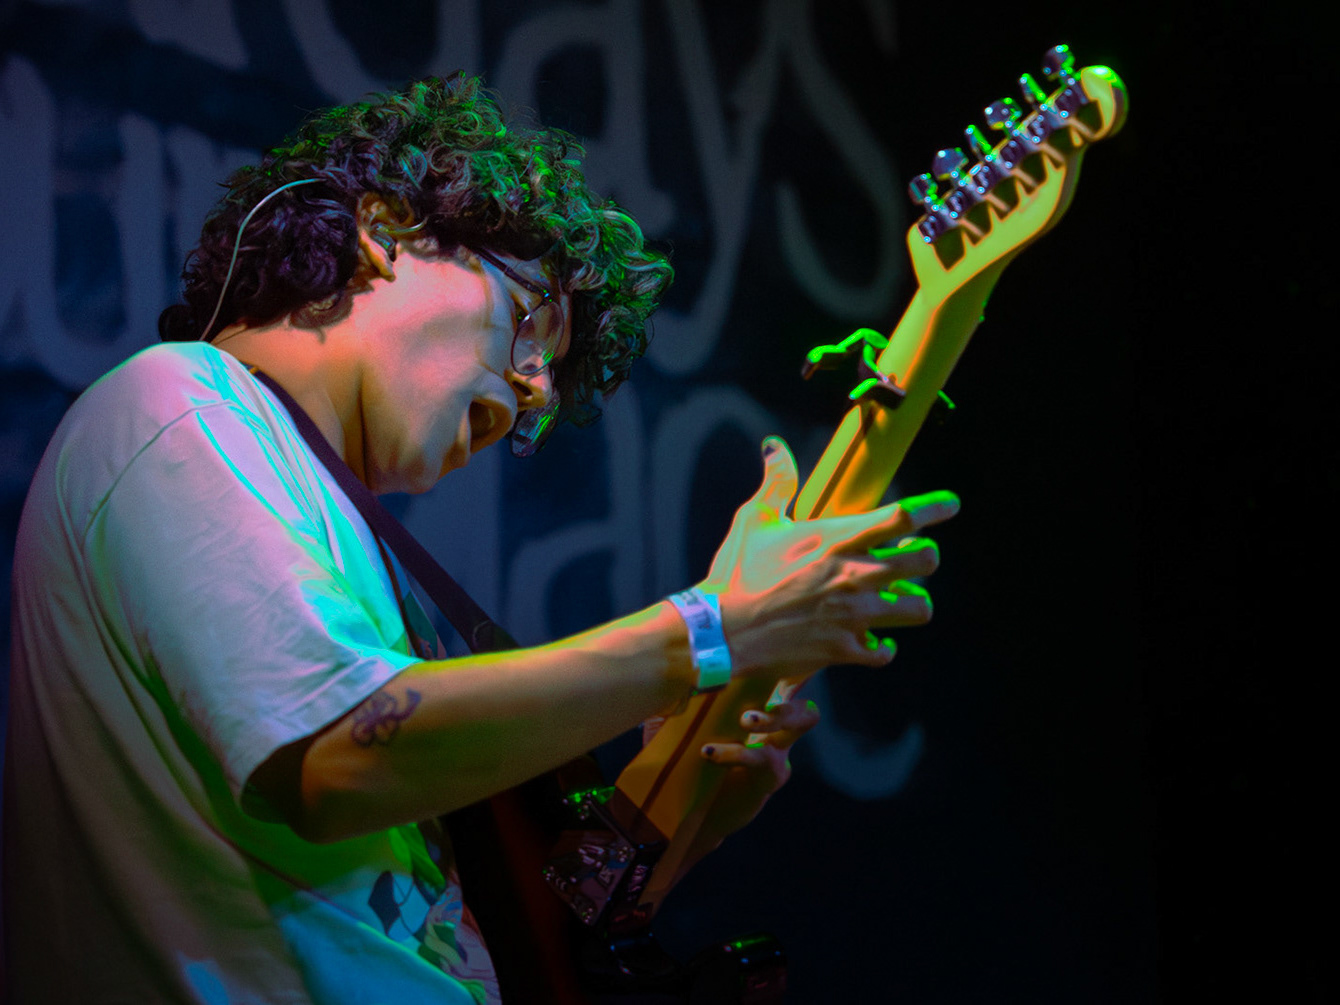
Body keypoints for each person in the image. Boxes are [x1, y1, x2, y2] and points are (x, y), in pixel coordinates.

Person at [3, 75, 957, 1003]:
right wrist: (707, 631)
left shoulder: (364, 559)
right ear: (384, 234)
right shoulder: (181, 404)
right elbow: (342, 758)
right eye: (532, 322)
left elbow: (511, 926)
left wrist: (673, 804)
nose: (536, 390)